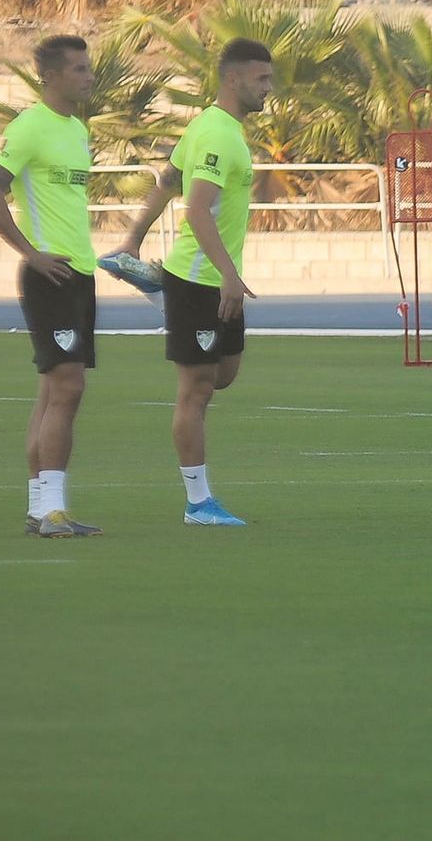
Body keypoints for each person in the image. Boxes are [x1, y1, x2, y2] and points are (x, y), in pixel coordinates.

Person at [0, 35, 103, 537]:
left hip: (78, 274)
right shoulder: (29, 126)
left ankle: (39, 508)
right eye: (78, 69)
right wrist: (30, 253)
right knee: (69, 386)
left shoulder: (76, 130)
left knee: (53, 390)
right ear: (49, 77)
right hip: (49, 276)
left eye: (88, 68)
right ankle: (52, 509)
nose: (88, 76)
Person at [156, 38, 273, 526]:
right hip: (199, 278)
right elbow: (195, 205)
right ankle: (198, 503)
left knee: (224, 375)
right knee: (198, 388)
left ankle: (199, 501)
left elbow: (168, 178)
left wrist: (133, 241)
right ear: (233, 79)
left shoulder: (213, 126)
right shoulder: (219, 134)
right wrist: (227, 274)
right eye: (262, 79)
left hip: (219, 278)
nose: (270, 88)